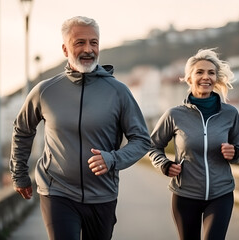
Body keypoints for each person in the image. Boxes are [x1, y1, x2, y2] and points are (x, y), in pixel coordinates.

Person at [9, 16, 150, 240]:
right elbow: (23, 129)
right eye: (80, 42)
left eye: (94, 43)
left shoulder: (118, 92)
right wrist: (19, 174)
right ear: (65, 49)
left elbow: (142, 140)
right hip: (57, 191)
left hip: (103, 194)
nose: (88, 49)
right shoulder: (46, 91)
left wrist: (112, 159)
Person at [148, 48, 239, 240]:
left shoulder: (230, 114)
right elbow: (152, 146)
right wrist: (165, 164)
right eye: (199, 72)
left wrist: (233, 152)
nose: (205, 77)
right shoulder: (174, 115)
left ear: (216, 78)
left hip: (221, 194)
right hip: (185, 195)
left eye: (211, 72)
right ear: (189, 78)